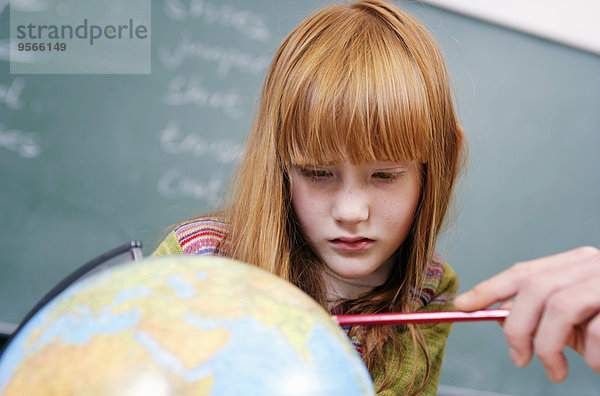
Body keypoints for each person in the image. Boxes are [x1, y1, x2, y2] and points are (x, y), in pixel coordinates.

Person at [152, 0, 600, 394]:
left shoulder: (429, 290)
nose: (350, 212)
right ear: (280, 165)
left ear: (437, 164)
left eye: (384, 175)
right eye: (317, 173)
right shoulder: (195, 263)